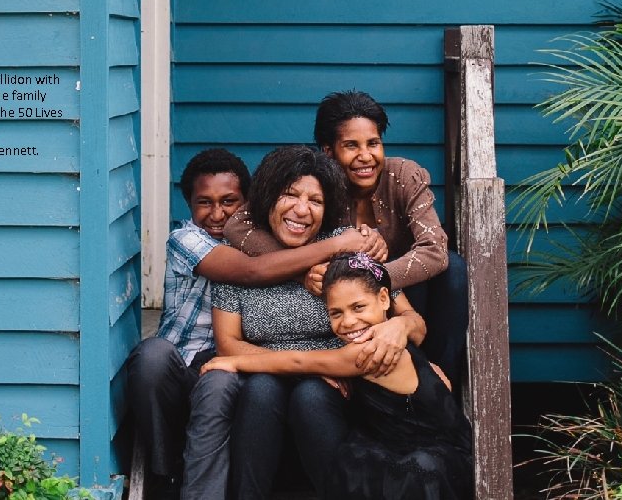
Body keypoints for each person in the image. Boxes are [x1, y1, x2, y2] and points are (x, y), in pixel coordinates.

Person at [126, 148, 385, 499]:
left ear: (247, 202)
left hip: (231, 368)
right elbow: (252, 271)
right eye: (204, 202)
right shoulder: (194, 242)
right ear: (188, 203)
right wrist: (339, 244)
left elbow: (393, 302)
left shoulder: (266, 244)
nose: (218, 214)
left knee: (243, 386)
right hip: (188, 361)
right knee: (154, 356)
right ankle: (163, 472)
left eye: (229, 201)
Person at [207, 145, 428, 498]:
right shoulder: (241, 257)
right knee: (263, 390)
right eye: (290, 195)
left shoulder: (348, 251)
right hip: (268, 381)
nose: (301, 210)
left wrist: (399, 327)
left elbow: (413, 320)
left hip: (345, 385)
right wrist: (306, 368)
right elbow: (228, 344)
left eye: (315, 200)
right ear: (267, 198)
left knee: (310, 396)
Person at [225, 90, 470, 385]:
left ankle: (441, 383)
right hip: (346, 306)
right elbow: (238, 225)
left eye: (373, 144)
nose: (365, 156)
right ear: (328, 151)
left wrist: (371, 275)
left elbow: (434, 251)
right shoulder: (318, 186)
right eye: (351, 145)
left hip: (400, 289)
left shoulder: (404, 175)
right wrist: (302, 268)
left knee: (454, 269)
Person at [202, 252, 474, 500]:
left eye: (358, 307)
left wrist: (234, 361)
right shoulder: (386, 339)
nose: (348, 322)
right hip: (398, 440)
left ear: (383, 299)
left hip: (437, 452)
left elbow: (298, 361)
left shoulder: (370, 350)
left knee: (362, 472)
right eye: (336, 313)